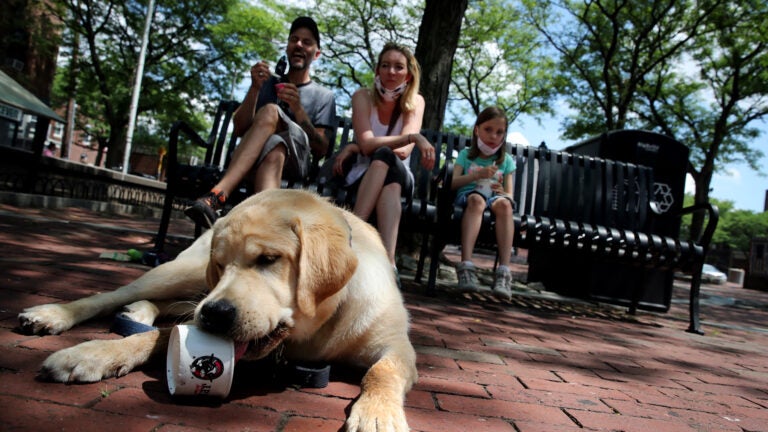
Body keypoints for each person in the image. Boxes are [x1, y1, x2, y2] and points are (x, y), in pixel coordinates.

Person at [184, 16, 337, 228]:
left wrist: (298, 110)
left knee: (271, 112)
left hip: (297, 165)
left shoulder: (324, 96)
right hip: (261, 159)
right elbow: (239, 129)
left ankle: (217, 196)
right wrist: (255, 89)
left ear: (317, 53)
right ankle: (267, 231)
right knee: (275, 149)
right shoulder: (267, 84)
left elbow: (321, 148)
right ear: (287, 46)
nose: (299, 45)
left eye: (307, 42)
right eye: (294, 39)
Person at [333, 42, 435, 278]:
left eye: (398, 67)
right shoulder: (362, 97)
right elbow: (368, 144)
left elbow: (403, 153)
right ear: (377, 70)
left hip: (401, 171)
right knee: (389, 182)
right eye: (385, 66)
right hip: (363, 176)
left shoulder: (415, 101)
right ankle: (389, 264)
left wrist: (359, 146)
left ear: (408, 74)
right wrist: (411, 136)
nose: (391, 72)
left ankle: (353, 234)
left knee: (386, 156)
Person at [450, 106, 517, 299]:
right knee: (476, 200)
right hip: (469, 196)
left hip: (495, 199)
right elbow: (452, 183)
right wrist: (476, 176)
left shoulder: (506, 161)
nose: (493, 136)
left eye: (499, 132)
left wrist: (503, 192)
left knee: (505, 205)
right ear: (476, 129)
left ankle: (504, 272)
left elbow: (510, 196)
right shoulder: (465, 155)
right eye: (488, 129)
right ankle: (466, 267)